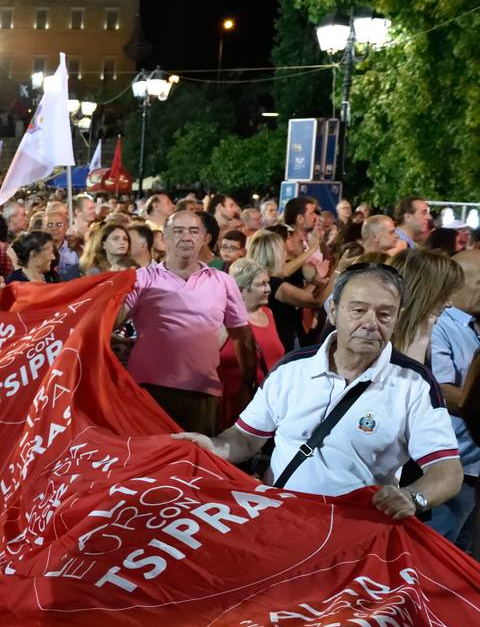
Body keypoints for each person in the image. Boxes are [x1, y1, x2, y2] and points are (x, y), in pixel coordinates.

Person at [174, 262, 462, 519]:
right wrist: (213, 447)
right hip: (279, 520)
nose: (370, 324)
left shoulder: (413, 383)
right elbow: (246, 438)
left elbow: (447, 470)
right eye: (358, 310)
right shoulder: (291, 369)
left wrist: (413, 497)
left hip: (354, 537)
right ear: (334, 312)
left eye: (384, 314)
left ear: (397, 318)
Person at [117, 211, 255, 435]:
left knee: (194, 465)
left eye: (193, 231)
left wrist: (247, 381)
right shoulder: (142, 278)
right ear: (165, 237)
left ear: (204, 238)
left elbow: (242, 335)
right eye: (178, 231)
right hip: (149, 391)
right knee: (149, 464)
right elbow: (114, 319)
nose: (186, 237)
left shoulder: (223, 281)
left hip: (202, 394)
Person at [428, 248, 480, 547]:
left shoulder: (475, 323)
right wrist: (475, 406)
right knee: (439, 549)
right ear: (459, 284)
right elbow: (441, 388)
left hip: (474, 465)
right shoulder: (440, 327)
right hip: (453, 463)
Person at [216, 257, 285, 428]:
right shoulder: (222, 319)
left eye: (267, 283)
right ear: (240, 290)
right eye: (261, 284)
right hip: (231, 406)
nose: (268, 289)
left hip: (265, 406)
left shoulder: (268, 313)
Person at [389, 245, 462, 365]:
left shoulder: (423, 331)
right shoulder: (378, 338)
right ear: (423, 293)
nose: (449, 303)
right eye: (444, 295)